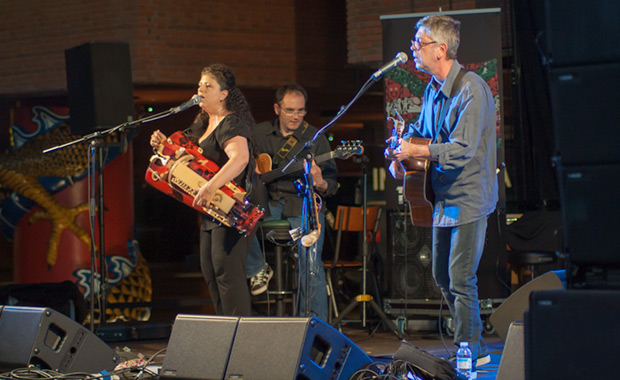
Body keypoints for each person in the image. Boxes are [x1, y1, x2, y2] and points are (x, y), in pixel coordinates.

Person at [387, 15, 497, 373]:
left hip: (468, 196)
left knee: (461, 278)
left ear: (441, 48)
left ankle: (468, 350)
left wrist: (415, 151)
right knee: (442, 277)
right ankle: (476, 345)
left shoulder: (472, 89)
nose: (413, 50)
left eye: (419, 43)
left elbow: (462, 148)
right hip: (442, 198)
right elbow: (421, 132)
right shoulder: (433, 89)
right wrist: (399, 154)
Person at [150, 63, 256, 316]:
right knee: (211, 271)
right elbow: (184, 157)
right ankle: (225, 334)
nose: (201, 89)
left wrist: (211, 186)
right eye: (200, 85)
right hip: (211, 210)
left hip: (232, 209)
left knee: (227, 273)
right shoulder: (202, 124)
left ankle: (240, 338)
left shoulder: (231, 124)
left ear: (223, 94)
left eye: (209, 85)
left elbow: (240, 158)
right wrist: (161, 144)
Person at [247, 84, 337, 321]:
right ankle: (257, 268)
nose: (296, 116)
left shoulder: (315, 139)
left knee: (311, 267)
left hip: (302, 206)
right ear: (277, 109)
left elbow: (333, 185)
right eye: (289, 111)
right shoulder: (258, 134)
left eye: (301, 111)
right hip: (269, 203)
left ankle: (313, 326)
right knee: (237, 220)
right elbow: (241, 163)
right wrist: (250, 169)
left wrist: (320, 183)